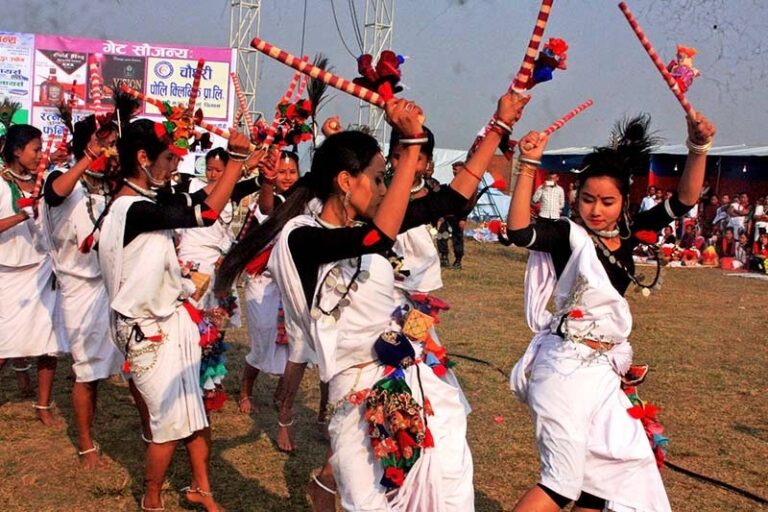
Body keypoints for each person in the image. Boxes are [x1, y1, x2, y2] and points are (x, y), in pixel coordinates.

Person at [217, 94, 523, 511]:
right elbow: (378, 237)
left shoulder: (368, 226)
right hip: (355, 394)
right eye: (378, 179)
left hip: (411, 382)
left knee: (444, 491)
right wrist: (410, 145)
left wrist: (499, 126)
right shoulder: (302, 237)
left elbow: (451, 199)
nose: (383, 190)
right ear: (346, 181)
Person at [501, 110, 715, 511]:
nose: (596, 210)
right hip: (564, 369)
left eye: (607, 201)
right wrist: (528, 164)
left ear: (624, 201)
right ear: (575, 196)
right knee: (560, 484)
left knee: (609, 476)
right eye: (587, 199)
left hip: (602, 372)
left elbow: (685, 200)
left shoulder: (629, 234)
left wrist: (698, 147)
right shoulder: (567, 235)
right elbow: (518, 231)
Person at [98, 119, 252, 511]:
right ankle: (152, 498)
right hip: (146, 331)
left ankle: (202, 489)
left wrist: (246, 174)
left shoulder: (144, 203)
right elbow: (206, 212)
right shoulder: (133, 209)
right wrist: (235, 159)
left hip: (170, 321)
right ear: (143, 158)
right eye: (168, 158)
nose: (174, 165)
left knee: (194, 413)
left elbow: (197, 198)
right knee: (168, 422)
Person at [40, 114, 124, 468]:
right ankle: (87, 446)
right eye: (106, 141)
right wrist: (89, 157)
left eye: (113, 143)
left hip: (109, 288)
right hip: (78, 291)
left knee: (108, 370)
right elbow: (54, 194)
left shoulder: (105, 185)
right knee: (86, 371)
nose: (112, 148)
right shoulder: (62, 179)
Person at [0, 124, 68, 426]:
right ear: (17, 151)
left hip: (42, 267)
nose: (40, 155)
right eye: (35, 149)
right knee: (3, 342)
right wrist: (20, 215)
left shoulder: (44, 181)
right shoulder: (1, 183)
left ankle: (43, 405)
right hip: (8, 273)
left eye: (41, 150)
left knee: (48, 342)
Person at [238, 150, 301, 421]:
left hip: (291, 284)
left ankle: (281, 395)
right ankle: (246, 390)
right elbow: (267, 208)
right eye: (281, 172)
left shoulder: (304, 202)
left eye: (291, 172)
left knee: (293, 343)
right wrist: (267, 182)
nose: (286, 177)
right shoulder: (267, 201)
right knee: (263, 339)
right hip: (262, 282)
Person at [176, 147, 262, 326]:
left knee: (217, 314)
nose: (213, 174)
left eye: (218, 170)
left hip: (217, 259)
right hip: (190, 255)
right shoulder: (191, 187)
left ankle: (212, 340)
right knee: (189, 309)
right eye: (209, 169)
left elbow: (260, 182)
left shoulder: (234, 190)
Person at [437, 161, 468, 269]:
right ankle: (444, 257)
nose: (453, 172)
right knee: (442, 235)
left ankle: (458, 260)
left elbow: (467, 204)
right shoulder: (453, 183)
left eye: (456, 169)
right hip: (447, 216)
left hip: (458, 216)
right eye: (453, 169)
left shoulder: (466, 185)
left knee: (457, 237)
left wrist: (463, 218)